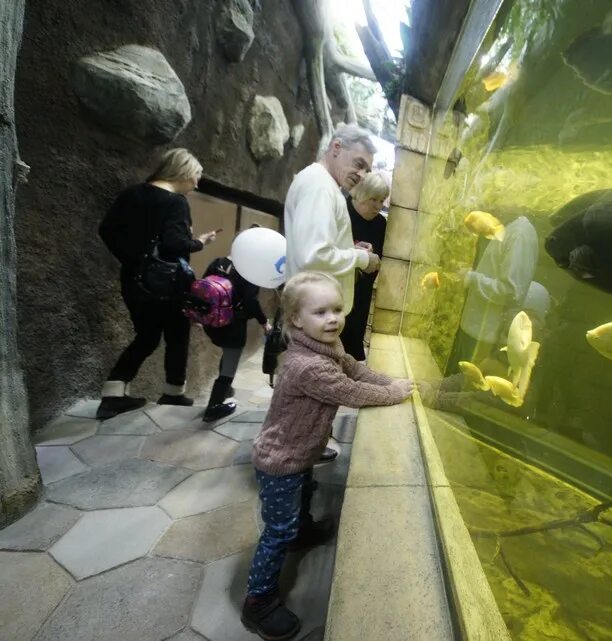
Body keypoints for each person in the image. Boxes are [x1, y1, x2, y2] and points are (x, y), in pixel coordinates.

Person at [241, 271, 414, 640]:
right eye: (320, 312)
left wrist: (393, 381)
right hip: (279, 460)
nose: (333, 318)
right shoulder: (308, 365)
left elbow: (355, 370)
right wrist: (395, 393)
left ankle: (302, 530)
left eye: (337, 309)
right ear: (296, 320)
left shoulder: (327, 348)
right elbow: (351, 392)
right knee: (276, 532)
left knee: (304, 493)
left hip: (301, 454)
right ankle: (258, 601)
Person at [96, 148, 218, 420]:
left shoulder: (132, 194)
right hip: (167, 285)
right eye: (196, 176)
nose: (196, 184)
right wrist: (199, 242)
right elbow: (175, 244)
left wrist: (134, 260)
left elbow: (106, 230)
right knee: (177, 334)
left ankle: (113, 393)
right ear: (184, 171)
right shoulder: (176, 202)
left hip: (134, 282)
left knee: (147, 336)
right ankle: (173, 393)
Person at [284, 124, 381, 317]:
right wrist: (362, 259)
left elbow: (315, 248)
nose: (362, 175)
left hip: (314, 314)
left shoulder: (322, 183)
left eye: (366, 170)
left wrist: (350, 249)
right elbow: (313, 256)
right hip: (314, 318)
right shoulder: (320, 187)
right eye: (358, 164)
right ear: (336, 147)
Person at [446, 214, 539, 374]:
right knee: (454, 382)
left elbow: (510, 292)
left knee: (464, 386)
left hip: (484, 335)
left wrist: (471, 278)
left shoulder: (520, 233)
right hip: (474, 328)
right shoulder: (508, 228)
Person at [198, 252, 271, 422]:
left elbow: (203, 288)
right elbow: (251, 301)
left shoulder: (218, 261)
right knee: (230, 363)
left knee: (227, 355)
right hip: (233, 324)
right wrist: (263, 321)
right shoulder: (249, 270)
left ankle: (226, 389)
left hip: (213, 321)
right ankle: (214, 407)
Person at [340, 171, 390, 361]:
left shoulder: (380, 224)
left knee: (350, 357)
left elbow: (380, 260)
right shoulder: (342, 210)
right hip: (334, 292)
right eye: (374, 199)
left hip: (360, 295)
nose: (378, 206)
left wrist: (372, 255)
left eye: (382, 200)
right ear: (362, 193)